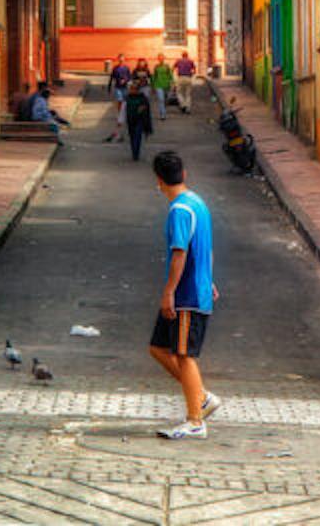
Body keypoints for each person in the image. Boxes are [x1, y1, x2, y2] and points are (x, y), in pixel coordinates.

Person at [147, 149, 219, 439]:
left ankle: (195, 420)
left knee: (184, 354)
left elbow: (180, 253)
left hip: (186, 294)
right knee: (158, 347)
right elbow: (207, 248)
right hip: (196, 288)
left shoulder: (179, 210)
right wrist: (210, 279)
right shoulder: (198, 202)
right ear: (184, 174)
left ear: (159, 181)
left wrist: (169, 293)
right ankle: (200, 397)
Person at [123, 76, 154, 162]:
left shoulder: (143, 98)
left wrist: (142, 109)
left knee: (137, 137)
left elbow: (146, 109)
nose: (131, 90)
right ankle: (134, 152)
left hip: (139, 120)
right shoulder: (127, 98)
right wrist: (120, 120)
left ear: (137, 90)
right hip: (130, 120)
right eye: (130, 89)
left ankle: (136, 154)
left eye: (133, 89)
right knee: (132, 137)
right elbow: (123, 109)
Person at [106, 55, 130, 143]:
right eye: (120, 60)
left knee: (125, 101)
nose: (121, 61)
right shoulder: (115, 68)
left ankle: (122, 114)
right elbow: (111, 78)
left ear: (124, 60)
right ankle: (120, 115)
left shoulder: (126, 68)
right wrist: (109, 87)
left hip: (125, 87)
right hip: (118, 88)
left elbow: (129, 76)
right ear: (118, 60)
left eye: (123, 60)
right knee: (119, 101)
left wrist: (125, 80)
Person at [151, 55, 174, 120]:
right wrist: (152, 85)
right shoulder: (156, 67)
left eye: (162, 58)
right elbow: (154, 76)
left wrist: (172, 82)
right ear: (158, 59)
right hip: (158, 85)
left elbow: (170, 75)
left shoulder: (167, 66)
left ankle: (163, 110)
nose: (161, 59)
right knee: (161, 99)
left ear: (164, 59)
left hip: (166, 85)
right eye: (160, 58)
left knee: (166, 99)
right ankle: (162, 114)